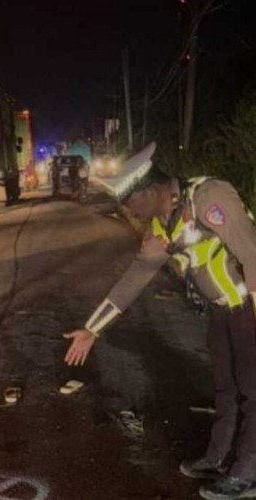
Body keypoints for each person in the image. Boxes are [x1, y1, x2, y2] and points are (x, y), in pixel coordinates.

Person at [63, 142, 256, 500]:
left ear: (150, 192)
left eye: (130, 203)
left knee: (253, 391)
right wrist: (92, 329)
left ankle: (249, 474)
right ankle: (219, 457)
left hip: (249, 308)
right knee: (226, 390)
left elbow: (252, 255)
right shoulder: (165, 224)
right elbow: (134, 278)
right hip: (221, 312)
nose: (129, 211)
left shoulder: (210, 196)